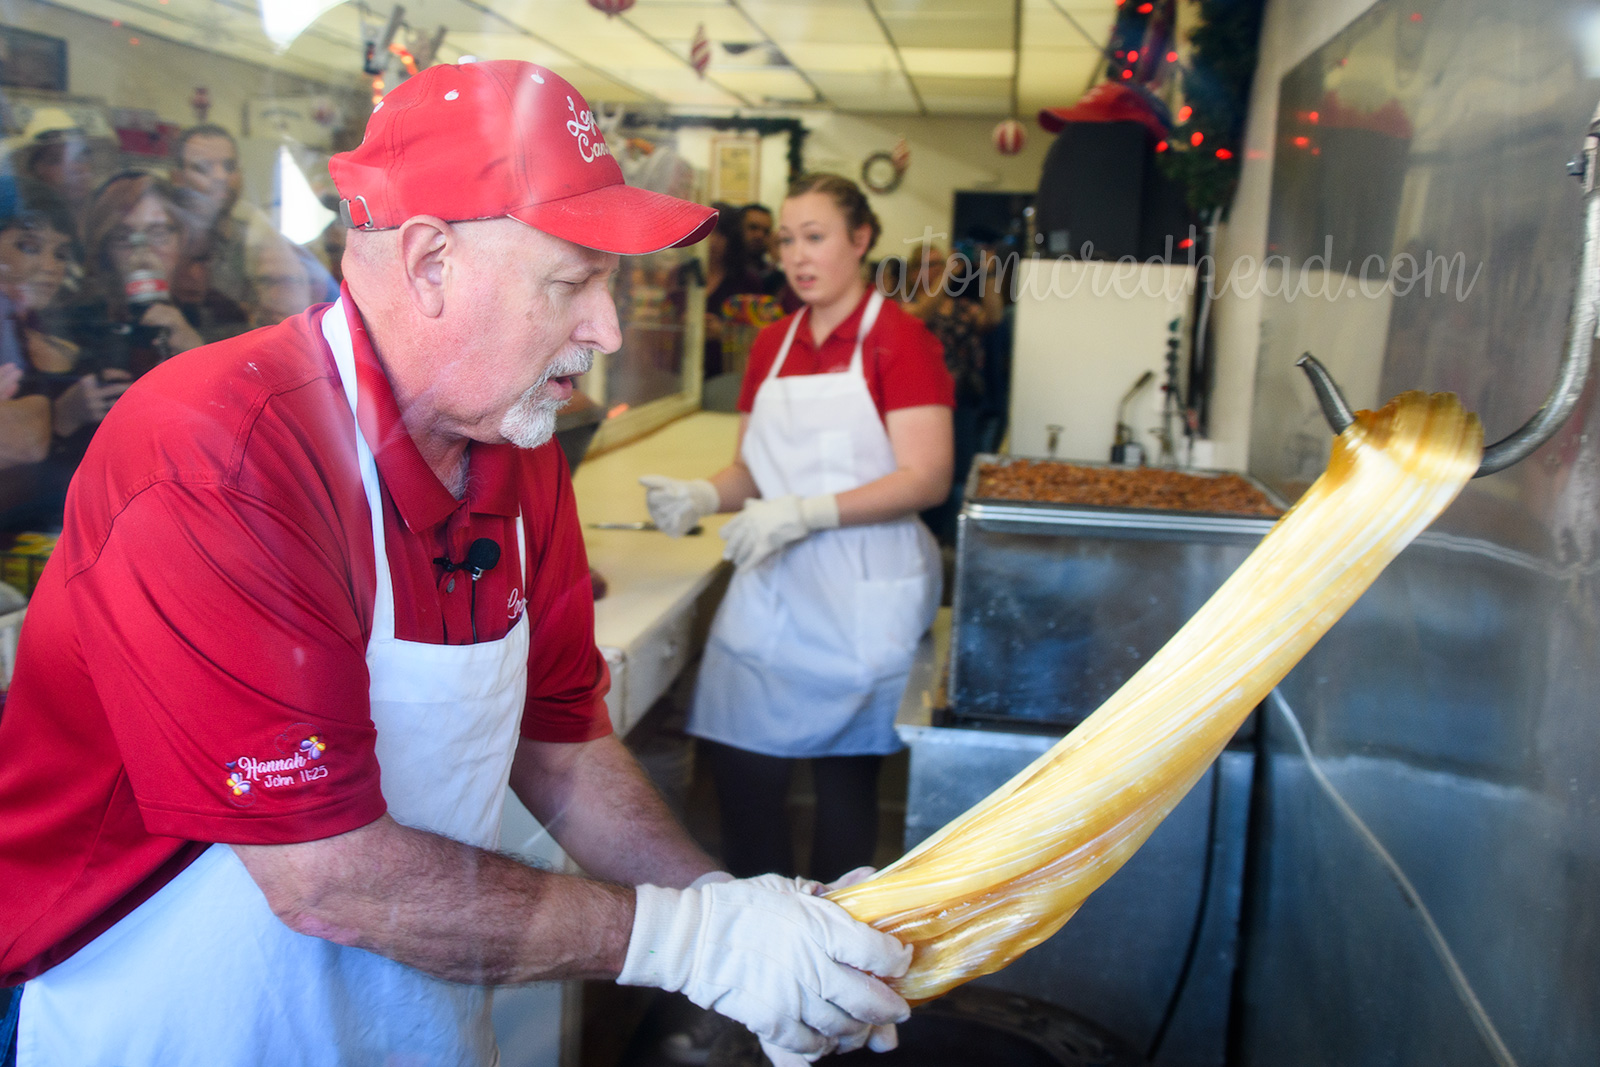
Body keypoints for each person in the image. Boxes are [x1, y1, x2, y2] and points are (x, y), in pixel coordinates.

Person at [0, 63, 911, 1067]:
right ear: (430, 259)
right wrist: (687, 944)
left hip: (413, 1015)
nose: (604, 330)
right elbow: (325, 873)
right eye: (574, 282)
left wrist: (725, 907)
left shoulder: (519, 453)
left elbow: (559, 739)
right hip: (187, 1017)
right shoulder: (220, 450)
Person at [640, 173, 954, 883]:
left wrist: (807, 511)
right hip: (777, 584)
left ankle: (834, 951)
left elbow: (926, 475)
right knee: (741, 769)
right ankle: (767, 938)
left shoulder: (900, 342)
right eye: (787, 239)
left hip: (862, 590)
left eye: (815, 237)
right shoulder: (773, 343)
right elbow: (753, 471)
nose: (797, 255)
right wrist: (700, 495)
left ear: (862, 239)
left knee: (844, 786)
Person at [0, 179, 129, 526]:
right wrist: (61, 415)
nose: (50, 266)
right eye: (29, 247)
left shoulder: (63, 341)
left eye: (59, 253)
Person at [66, 170, 247, 377]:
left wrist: (196, 350)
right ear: (105, 250)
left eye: (158, 234)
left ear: (182, 241)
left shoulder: (219, 314)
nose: (143, 256)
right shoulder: (80, 323)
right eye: (124, 238)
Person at [169, 123, 275, 310]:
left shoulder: (257, 242)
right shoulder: (165, 240)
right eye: (203, 168)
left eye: (229, 166)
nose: (221, 176)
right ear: (177, 178)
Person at [702, 207, 765, 378]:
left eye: (721, 234)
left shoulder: (746, 280)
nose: (714, 241)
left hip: (728, 378)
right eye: (707, 232)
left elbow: (759, 335)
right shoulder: (682, 275)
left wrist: (724, 332)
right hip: (680, 379)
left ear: (732, 239)